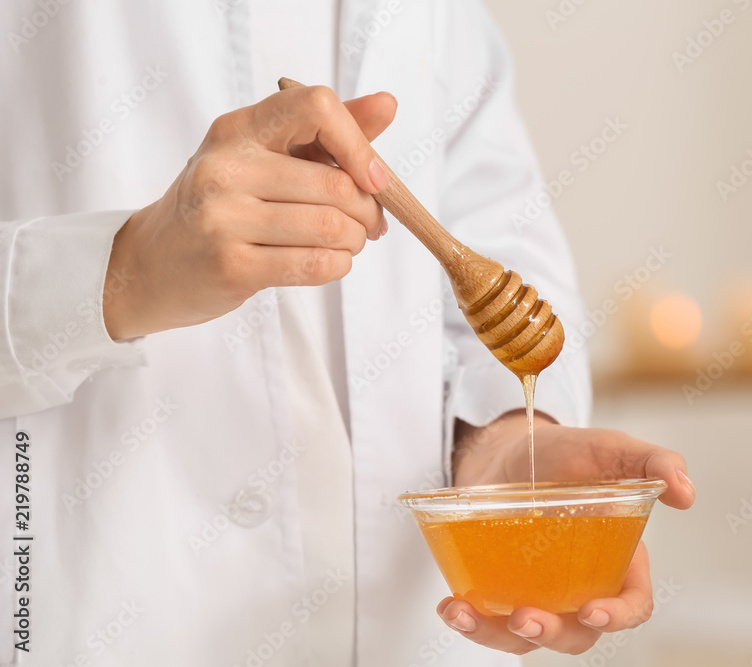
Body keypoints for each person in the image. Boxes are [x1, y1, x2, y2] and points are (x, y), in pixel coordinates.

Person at [0, 1, 694, 665]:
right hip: (97, 614)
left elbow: (494, 218)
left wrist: (498, 438)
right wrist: (119, 271)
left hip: (412, 634)